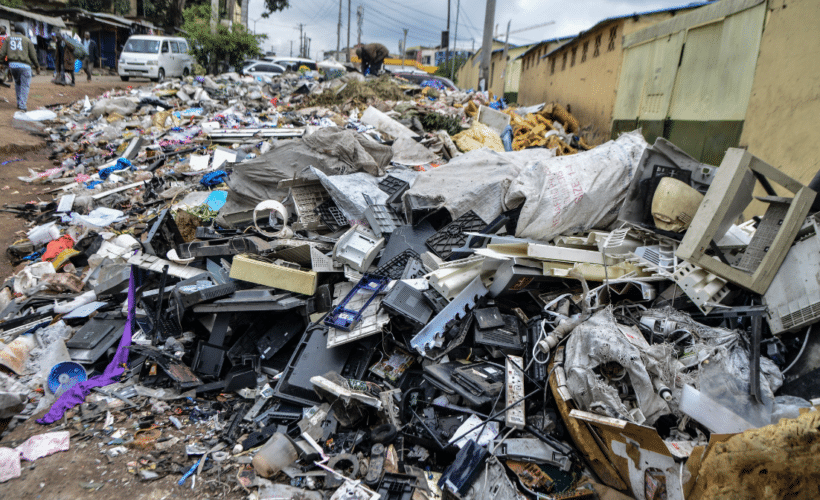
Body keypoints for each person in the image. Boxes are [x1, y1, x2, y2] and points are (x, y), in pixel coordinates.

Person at [0, 22, 40, 111]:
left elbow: (2, 53)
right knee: (25, 85)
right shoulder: (27, 40)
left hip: (13, 66)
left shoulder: (8, 39)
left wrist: (0, 62)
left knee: (18, 83)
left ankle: (19, 102)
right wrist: (37, 66)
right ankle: (22, 105)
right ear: (22, 31)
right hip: (25, 66)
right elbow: (33, 55)